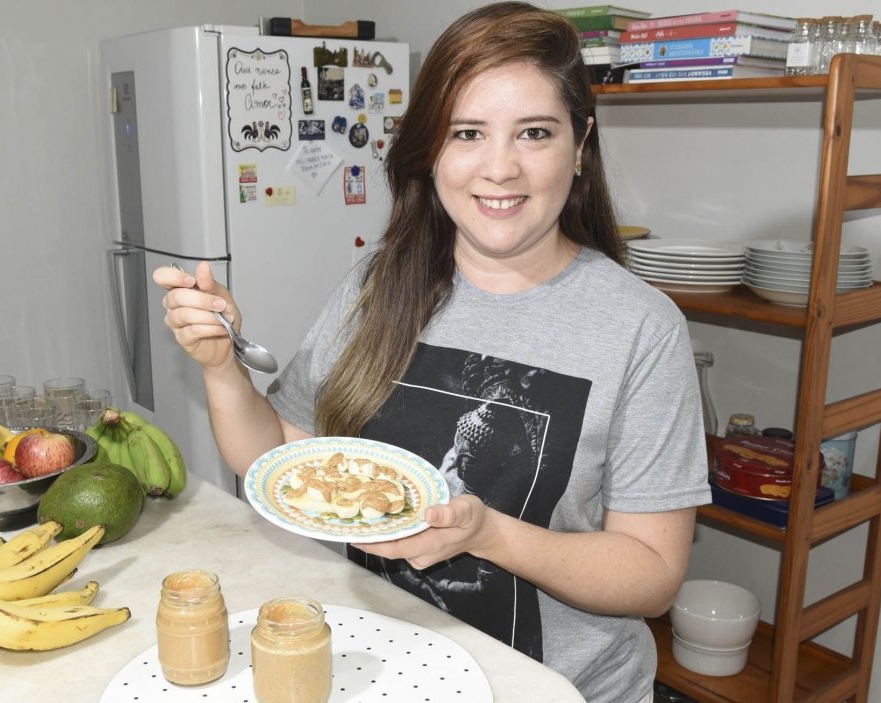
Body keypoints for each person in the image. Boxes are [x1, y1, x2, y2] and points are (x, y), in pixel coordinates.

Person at [153, 3, 711, 701]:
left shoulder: (641, 328)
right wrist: (220, 366)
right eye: (467, 133)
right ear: (431, 150)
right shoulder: (378, 282)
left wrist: (487, 534)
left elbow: (654, 574)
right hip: (388, 667)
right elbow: (279, 454)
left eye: (534, 133)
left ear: (579, 145)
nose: (499, 168)